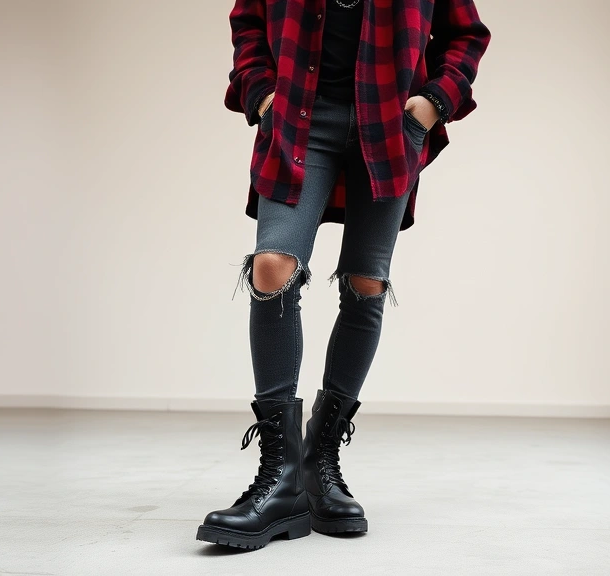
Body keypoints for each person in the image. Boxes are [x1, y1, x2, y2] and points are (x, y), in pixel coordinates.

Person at [197, 0, 490, 550]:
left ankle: (320, 461)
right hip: (298, 118)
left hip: (390, 124)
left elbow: (466, 35)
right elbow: (248, 22)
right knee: (272, 266)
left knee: (365, 283)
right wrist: (262, 96)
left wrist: (433, 104)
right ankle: (280, 477)